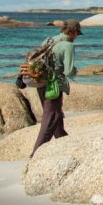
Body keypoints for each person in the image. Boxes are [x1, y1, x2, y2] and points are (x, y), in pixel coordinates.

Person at [30, 18, 80, 157]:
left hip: (40, 82)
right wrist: (76, 71)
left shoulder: (49, 40)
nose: (76, 37)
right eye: (76, 33)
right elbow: (69, 71)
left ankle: (64, 143)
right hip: (54, 85)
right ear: (73, 32)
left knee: (56, 115)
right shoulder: (68, 45)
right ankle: (35, 154)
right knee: (51, 117)